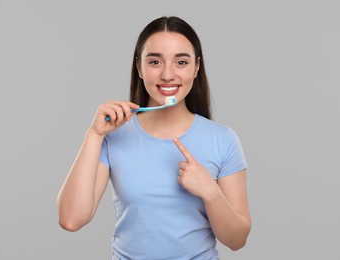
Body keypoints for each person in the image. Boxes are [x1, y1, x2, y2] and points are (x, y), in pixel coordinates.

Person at [57, 16, 251, 260]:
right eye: (155, 61)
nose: (168, 75)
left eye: (181, 62)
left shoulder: (223, 139)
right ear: (139, 67)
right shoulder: (113, 136)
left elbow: (237, 240)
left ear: (196, 67)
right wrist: (94, 134)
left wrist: (210, 192)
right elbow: (71, 219)